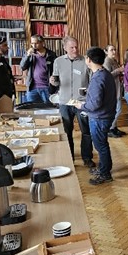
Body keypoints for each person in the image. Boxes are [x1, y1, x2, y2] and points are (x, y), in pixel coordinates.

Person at [73, 47, 117, 185]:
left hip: (99, 117)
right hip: (105, 115)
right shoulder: (105, 73)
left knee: (101, 146)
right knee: (102, 144)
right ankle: (104, 169)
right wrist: (90, 92)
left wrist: (81, 106)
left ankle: (105, 174)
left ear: (89, 59)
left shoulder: (98, 77)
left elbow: (95, 104)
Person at [50, 36, 95, 167]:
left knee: (86, 132)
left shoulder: (85, 61)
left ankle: (87, 158)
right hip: (64, 102)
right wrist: (53, 82)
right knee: (66, 132)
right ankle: (69, 158)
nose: (75, 49)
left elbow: (92, 80)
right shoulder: (58, 62)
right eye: (71, 47)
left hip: (82, 102)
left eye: (76, 46)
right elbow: (56, 81)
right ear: (65, 48)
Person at [19, 34, 57, 103]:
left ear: (42, 43)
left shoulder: (51, 55)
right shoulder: (29, 55)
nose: (34, 45)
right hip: (32, 88)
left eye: (36, 43)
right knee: (32, 110)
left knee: (48, 109)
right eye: (32, 43)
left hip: (47, 87)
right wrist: (27, 56)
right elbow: (22, 67)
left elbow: (57, 69)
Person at [103, 44, 125, 138]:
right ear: (106, 51)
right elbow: (107, 76)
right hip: (112, 90)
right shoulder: (107, 61)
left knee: (117, 109)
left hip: (117, 87)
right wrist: (119, 70)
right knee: (118, 110)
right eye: (111, 50)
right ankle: (109, 128)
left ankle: (114, 127)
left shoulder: (114, 60)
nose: (114, 52)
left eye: (115, 50)